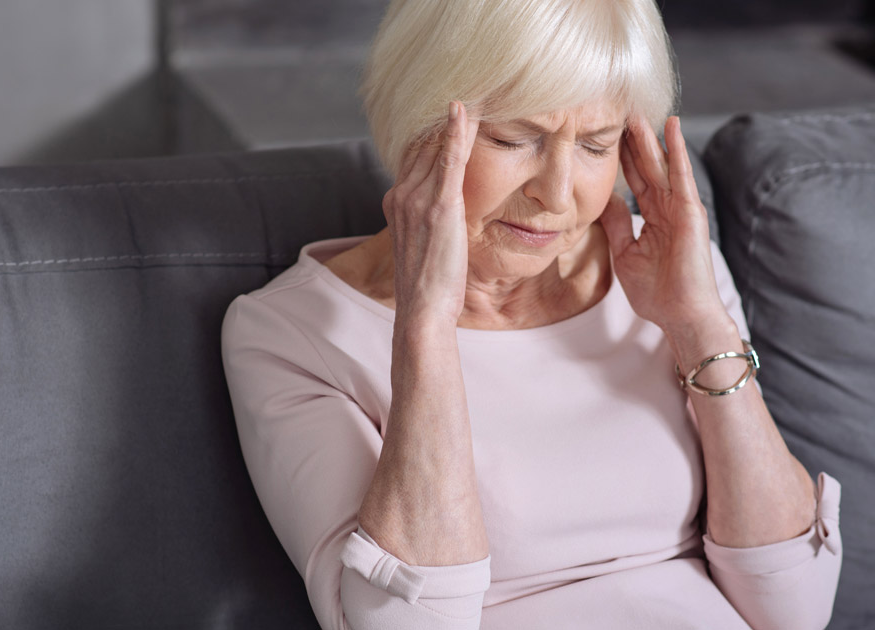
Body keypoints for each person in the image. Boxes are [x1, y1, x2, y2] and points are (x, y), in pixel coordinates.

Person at [220, 0, 843, 628]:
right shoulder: (289, 334)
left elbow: (796, 609)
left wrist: (697, 323)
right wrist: (427, 327)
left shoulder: (670, 275)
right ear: (419, 128)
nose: (557, 191)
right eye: (515, 139)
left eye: (596, 146)